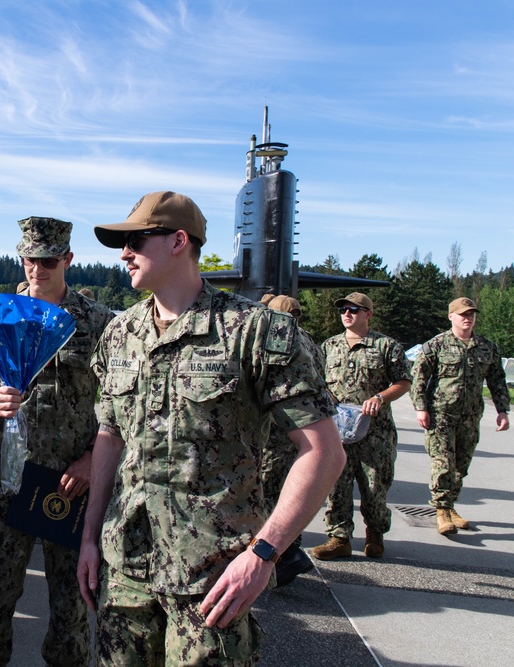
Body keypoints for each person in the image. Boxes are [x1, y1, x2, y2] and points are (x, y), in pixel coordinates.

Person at [78, 191, 345, 665]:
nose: (124, 254)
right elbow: (110, 437)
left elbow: (324, 452)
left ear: (179, 240)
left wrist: (264, 554)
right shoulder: (119, 334)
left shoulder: (256, 332)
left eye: (136, 240)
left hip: (211, 578)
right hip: (126, 570)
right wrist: (90, 537)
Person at [0, 217, 114, 667]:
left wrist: (92, 460)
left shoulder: (97, 323)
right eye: (29, 259)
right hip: (9, 478)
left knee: (70, 608)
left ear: (68, 259)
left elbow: (120, 405)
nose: (37, 269)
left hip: (71, 482)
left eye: (48, 260)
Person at [312, 292, 411, 560]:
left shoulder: (386, 346)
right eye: (343, 309)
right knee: (337, 486)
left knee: (375, 488)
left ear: (368, 314)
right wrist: (326, 395)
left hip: (375, 432)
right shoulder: (329, 346)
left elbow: (403, 381)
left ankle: (375, 534)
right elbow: (317, 379)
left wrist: (380, 397)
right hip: (338, 430)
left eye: (354, 310)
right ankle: (339, 537)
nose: (347, 314)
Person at [410, 297, 510, 535]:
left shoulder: (487, 347)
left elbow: (496, 380)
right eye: (463, 314)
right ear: (451, 316)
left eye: (472, 314)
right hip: (441, 414)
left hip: (471, 416)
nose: (468, 318)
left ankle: (451, 505)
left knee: (461, 466)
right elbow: (419, 378)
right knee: (443, 463)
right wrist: (421, 407)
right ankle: (442, 511)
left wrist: (502, 411)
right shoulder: (436, 345)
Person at [260, 295, 323, 584]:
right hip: (302, 431)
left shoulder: (280, 339)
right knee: (290, 491)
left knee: (269, 494)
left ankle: (285, 558)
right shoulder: (310, 341)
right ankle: (290, 551)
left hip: (277, 433)